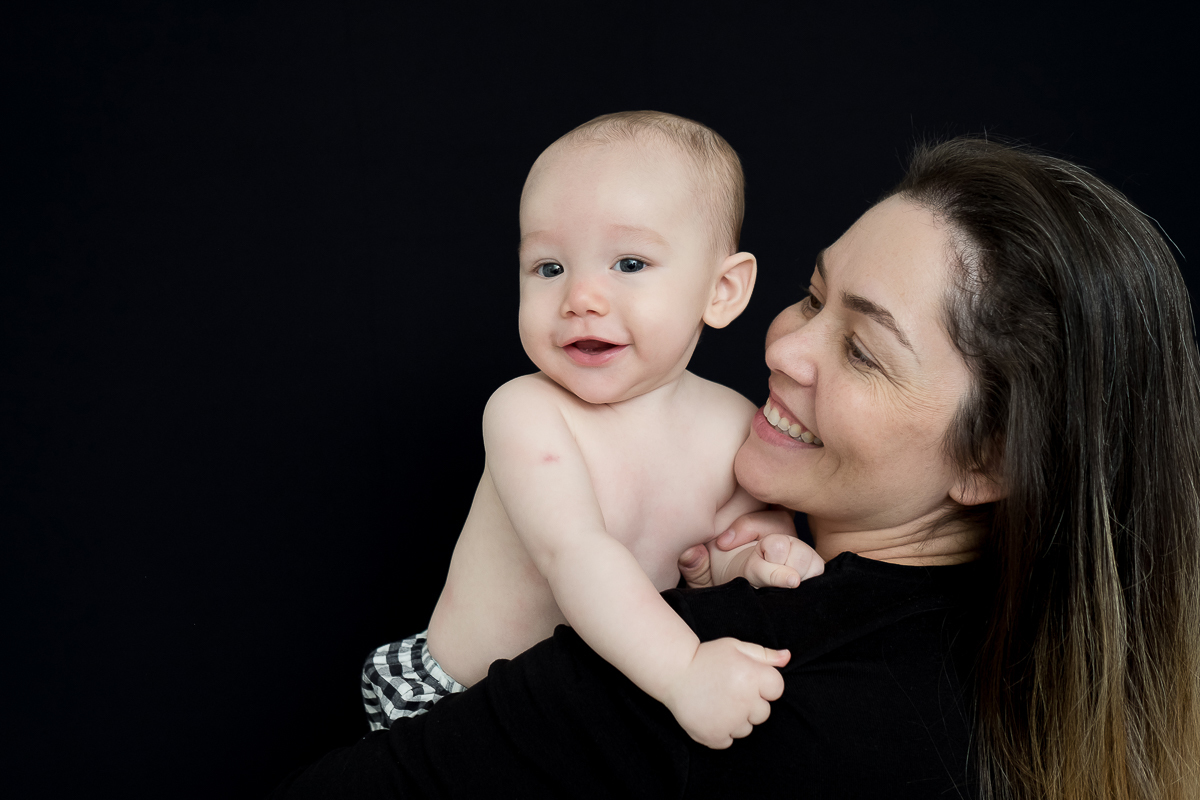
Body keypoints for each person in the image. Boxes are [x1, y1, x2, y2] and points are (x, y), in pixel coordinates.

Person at [274, 138, 1200, 799]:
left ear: (992, 457)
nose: (788, 349)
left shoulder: (733, 678)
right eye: (812, 295)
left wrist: (694, 652)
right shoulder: (1007, 668)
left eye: (865, 352)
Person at [361, 111, 821, 748]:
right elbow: (574, 555)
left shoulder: (731, 426)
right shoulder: (526, 411)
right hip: (466, 699)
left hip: (613, 694)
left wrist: (760, 560)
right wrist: (685, 672)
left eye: (628, 263)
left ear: (721, 290)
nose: (581, 297)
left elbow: (733, 542)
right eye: (549, 268)